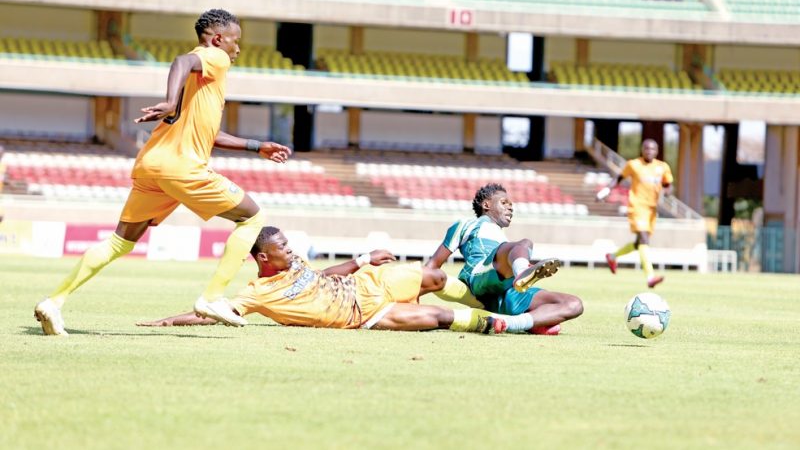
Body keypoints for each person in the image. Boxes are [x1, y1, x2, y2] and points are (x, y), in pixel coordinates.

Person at [34, 9, 292, 336]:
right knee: (252, 218)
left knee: (119, 243)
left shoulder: (201, 81)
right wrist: (170, 101)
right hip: (182, 167)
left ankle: (54, 302)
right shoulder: (214, 58)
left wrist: (257, 146)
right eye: (235, 41)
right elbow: (181, 61)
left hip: (151, 164)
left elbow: (209, 133)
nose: (237, 49)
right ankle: (212, 297)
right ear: (217, 39)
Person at [137, 226, 510, 335]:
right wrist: (168, 320)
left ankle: (487, 302)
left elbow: (322, 276)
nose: (291, 248)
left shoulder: (295, 262)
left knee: (435, 276)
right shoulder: (258, 293)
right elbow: (213, 312)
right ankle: (501, 323)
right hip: (364, 314)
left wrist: (362, 260)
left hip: (367, 282)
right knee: (440, 318)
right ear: (264, 257)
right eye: (283, 246)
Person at [426, 183, 584, 335]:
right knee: (524, 244)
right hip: (479, 275)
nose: (510, 208)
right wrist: (413, 299)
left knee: (574, 304)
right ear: (486, 205)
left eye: (512, 206)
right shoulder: (466, 224)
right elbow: (432, 265)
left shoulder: (501, 238)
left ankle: (511, 323)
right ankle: (522, 272)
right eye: (504, 203)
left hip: (506, 291)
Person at [596, 138, 673, 288]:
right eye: (646, 148)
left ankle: (612, 257)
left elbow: (668, 185)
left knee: (639, 243)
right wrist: (606, 190)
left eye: (652, 149)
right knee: (644, 240)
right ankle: (650, 277)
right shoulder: (634, 164)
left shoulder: (662, 167)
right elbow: (618, 178)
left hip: (651, 210)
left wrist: (666, 193)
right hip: (637, 207)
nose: (649, 151)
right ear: (642, 150)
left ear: (656, 151)